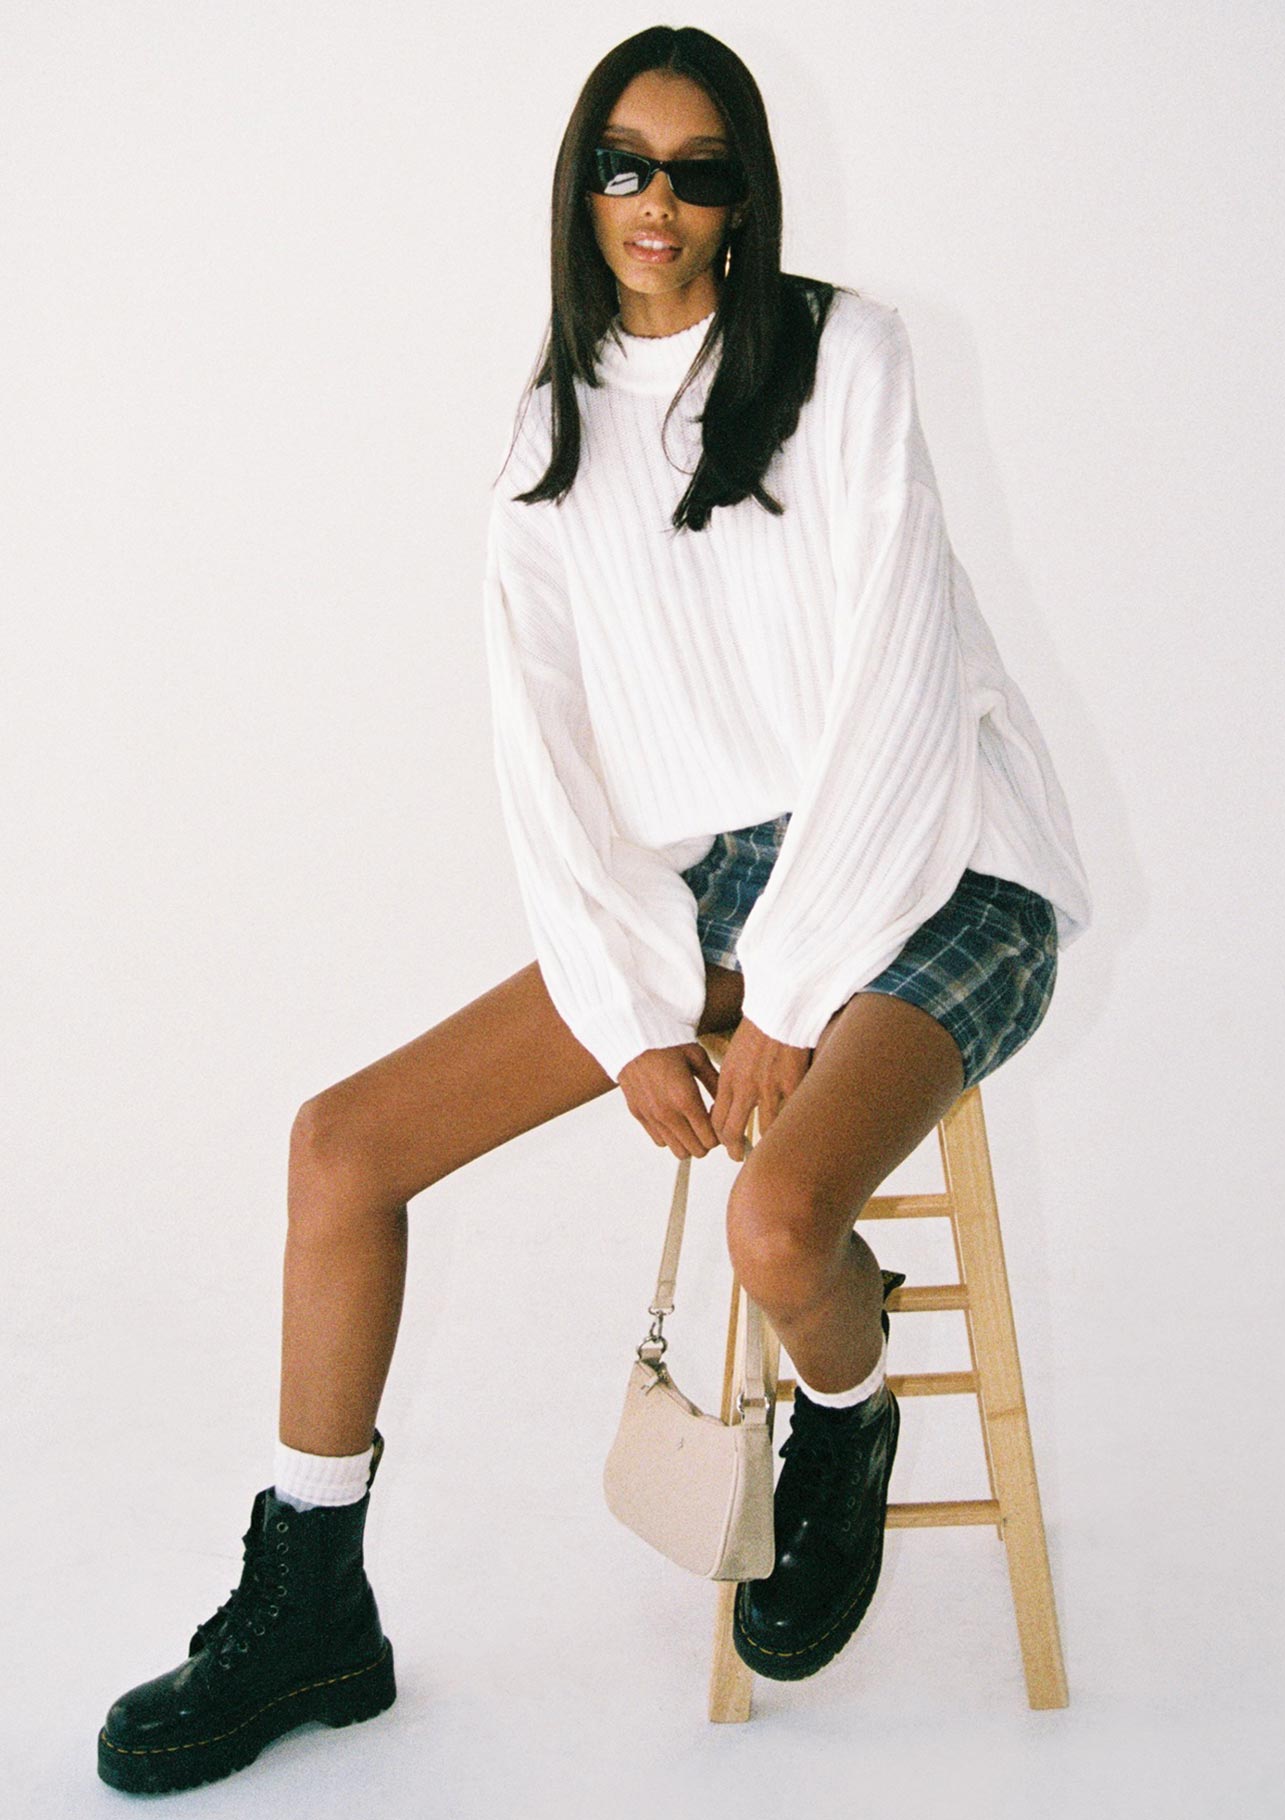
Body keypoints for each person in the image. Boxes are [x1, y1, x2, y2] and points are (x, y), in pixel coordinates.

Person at [97, 24, 1092, 1794]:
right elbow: (545, 761)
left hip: (946, 846)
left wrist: (783, 992)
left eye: (697, 172)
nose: (656, 201)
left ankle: (847, 1413)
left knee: (775, 1230)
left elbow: (896, 689)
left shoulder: (843, 353)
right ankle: (312, 1597)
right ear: (579, 187)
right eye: (624, 164)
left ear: (743, 199)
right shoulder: (548, 434)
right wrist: (636, 1013)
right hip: (723, 876)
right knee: (341, 1147)